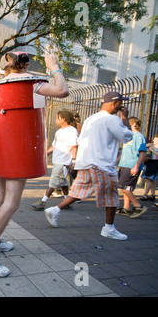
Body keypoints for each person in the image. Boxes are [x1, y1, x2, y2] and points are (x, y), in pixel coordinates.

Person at [0, 51, 69, 277]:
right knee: (12, 201)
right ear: (24, 67)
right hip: (19, 146)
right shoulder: (31, 84)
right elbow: (62, 90)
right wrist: (53, 66)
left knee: (1, 196)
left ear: (7, 67)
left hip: (0, 145)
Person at [44, 91, 133, 241]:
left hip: (87, 162)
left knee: (78, 192)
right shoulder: (112, 120)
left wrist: (77, 162)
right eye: (120, 103)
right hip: (102, 164)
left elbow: (83, 141)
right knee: (111, 196)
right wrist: (125, 119)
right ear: (114, 103)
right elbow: (127, 136)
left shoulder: (91, 118)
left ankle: (55, 210)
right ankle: (108, 228)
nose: (121, 107)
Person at [31, 110, 78, 210]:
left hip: (64, 162)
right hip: (58, 161)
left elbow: (74, 147)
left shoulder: (72, 131)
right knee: (63, 182)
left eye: (57, 118)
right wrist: (44, 154)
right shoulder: (59, 132)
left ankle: (42, 202)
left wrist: (74, 162)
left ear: (63, 119)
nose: (55, 120)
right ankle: (66, 202)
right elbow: (53, 147)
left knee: (53, 182)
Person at [116, 117, 148, 218]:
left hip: (131, 165)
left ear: (134, 124)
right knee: (126, 187)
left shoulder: (139, 136)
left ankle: (138, 205)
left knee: (123, 187)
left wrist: (136, 166)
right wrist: (116, 162)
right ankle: (126, 208)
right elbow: (123, 152)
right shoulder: (128, 137)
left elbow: (143, 152)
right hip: (124, 165)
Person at [140, 134, 158, 201]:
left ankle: (145, 194)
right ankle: (152, 194)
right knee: (149, 179)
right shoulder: (152, 145)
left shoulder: (155, 147)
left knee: (149, 178)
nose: (155, 140)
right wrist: (147, 146)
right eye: (155, 139)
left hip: (155, 163)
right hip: (149, 162)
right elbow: (143, 147)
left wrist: (152, 150)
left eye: (156, 139)